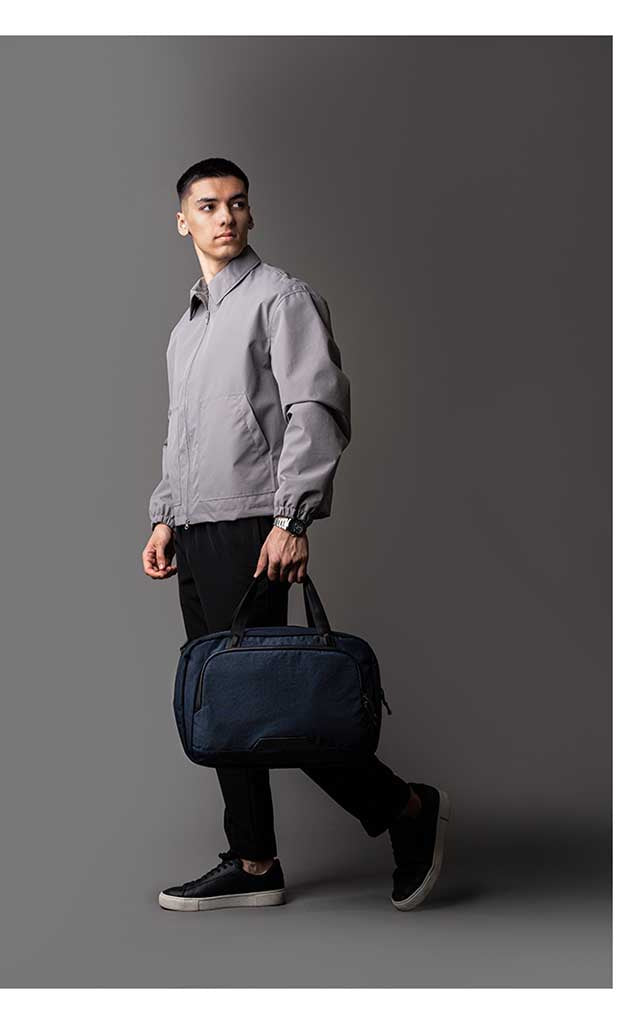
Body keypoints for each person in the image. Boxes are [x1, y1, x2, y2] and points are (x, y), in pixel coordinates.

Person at [142, 156, 449, 913]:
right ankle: (254, 861)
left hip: (254, 522)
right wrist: (165, 513)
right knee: (224, 706)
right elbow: (183, 434)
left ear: (250, 214)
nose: (225, 216)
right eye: (208, 205)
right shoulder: (185, 329)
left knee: (271, 704)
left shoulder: (282, 298)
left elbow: (314, 409)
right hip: (198, 527)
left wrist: (291, 518)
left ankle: (406, 809)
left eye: (237, 203)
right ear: (182, 221)